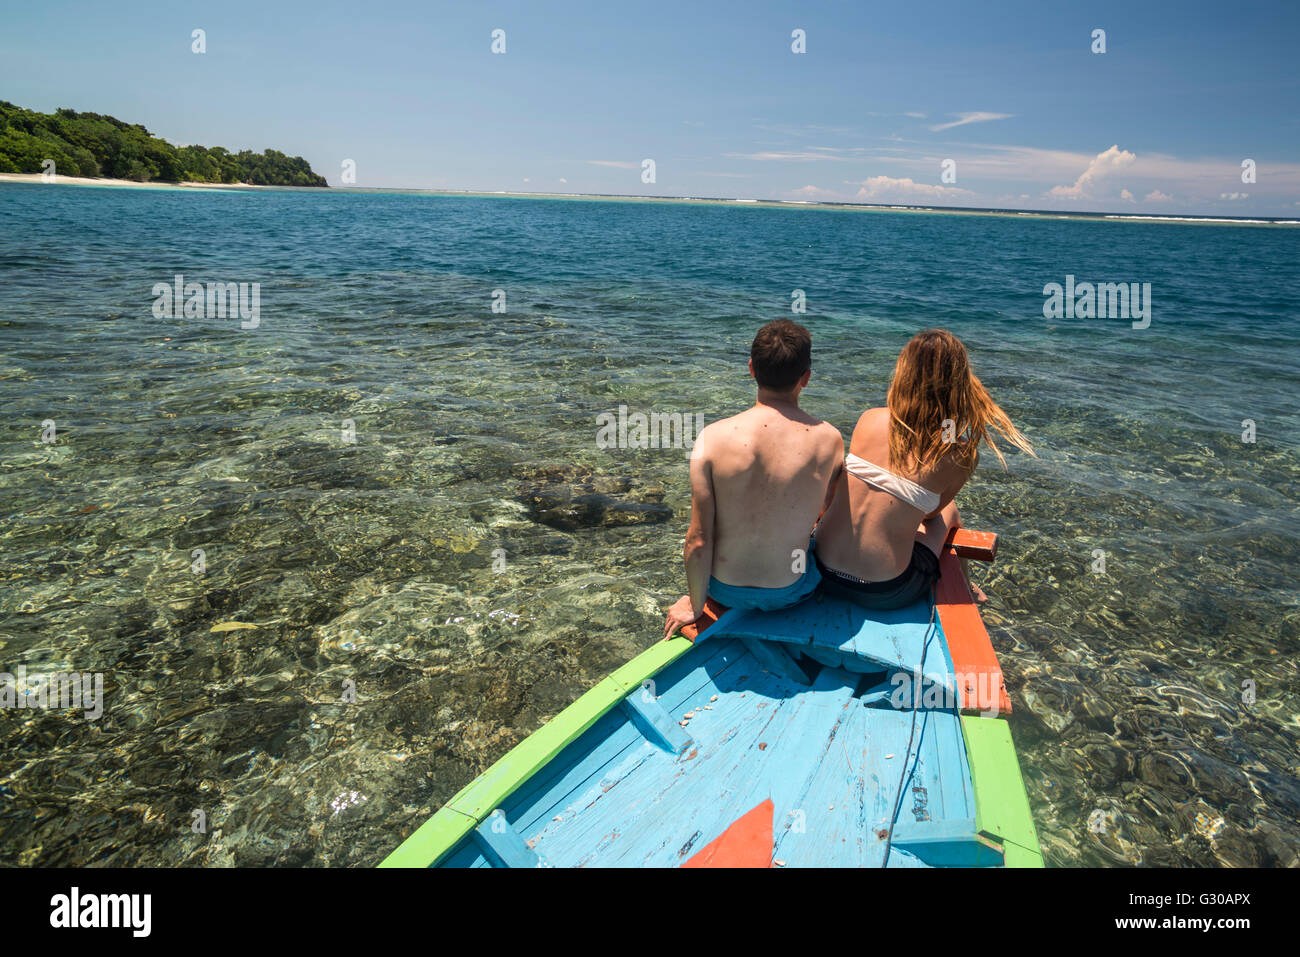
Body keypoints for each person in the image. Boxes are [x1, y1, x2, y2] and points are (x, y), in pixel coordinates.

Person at [813, 329, 1034, 610]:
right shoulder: (959, 452)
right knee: (949, 510)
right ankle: (965, 587)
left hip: (820, 569)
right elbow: (929, 514)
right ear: (960, 383)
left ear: (903, 373)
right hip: (881, 590)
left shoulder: (870, 418)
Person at [663, 319, 844, 638]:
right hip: (790, 590)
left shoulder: (712, 437)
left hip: (722, 591)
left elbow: (697, 540)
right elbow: (824, 517)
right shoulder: (829, 440)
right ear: (806, 378)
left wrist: (695, 604)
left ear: (751, 368)